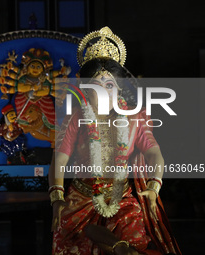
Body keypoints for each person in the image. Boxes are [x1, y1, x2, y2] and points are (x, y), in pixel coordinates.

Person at [49, 27, 181, 255]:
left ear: (118, 87)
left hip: (122, 199)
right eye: (95, 86)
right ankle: (115, 246)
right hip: (79, 199)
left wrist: (153, 186)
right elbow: (59, 158)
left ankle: (118, 246)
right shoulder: (76, 118)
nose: (102, 92)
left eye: (109, 85)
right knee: (71, 241)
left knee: (135, 237)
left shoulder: (135, 118)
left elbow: (153, 153)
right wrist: (57, 197)